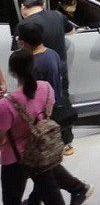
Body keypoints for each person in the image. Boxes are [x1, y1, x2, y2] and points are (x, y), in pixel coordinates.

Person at [14, 23, 92, 205]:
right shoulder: (52, 54)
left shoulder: (34, 64)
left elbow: (31, 95)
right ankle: (36, 200)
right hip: (54, 110)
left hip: (42, 118)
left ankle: (79, 188)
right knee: (44, 165)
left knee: (41, 165)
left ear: (24, 42)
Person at [0, 49, 71, 205]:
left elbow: (1, 139)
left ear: (12, 72)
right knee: (52, 197)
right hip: (41, 152)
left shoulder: (6, 104)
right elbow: (48, 112)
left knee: (11, 199)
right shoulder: (46, 88)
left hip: (15, 159)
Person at [18, 0, 76, 156]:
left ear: (23, 7)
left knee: (38, 107)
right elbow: (71, 31)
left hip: (36, 70)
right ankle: (66, 143)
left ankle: (45, 145)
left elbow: (20, 51)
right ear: (42, 3)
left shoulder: (24, 25)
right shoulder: (57, 15)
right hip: (59, 67)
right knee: (61, 101)